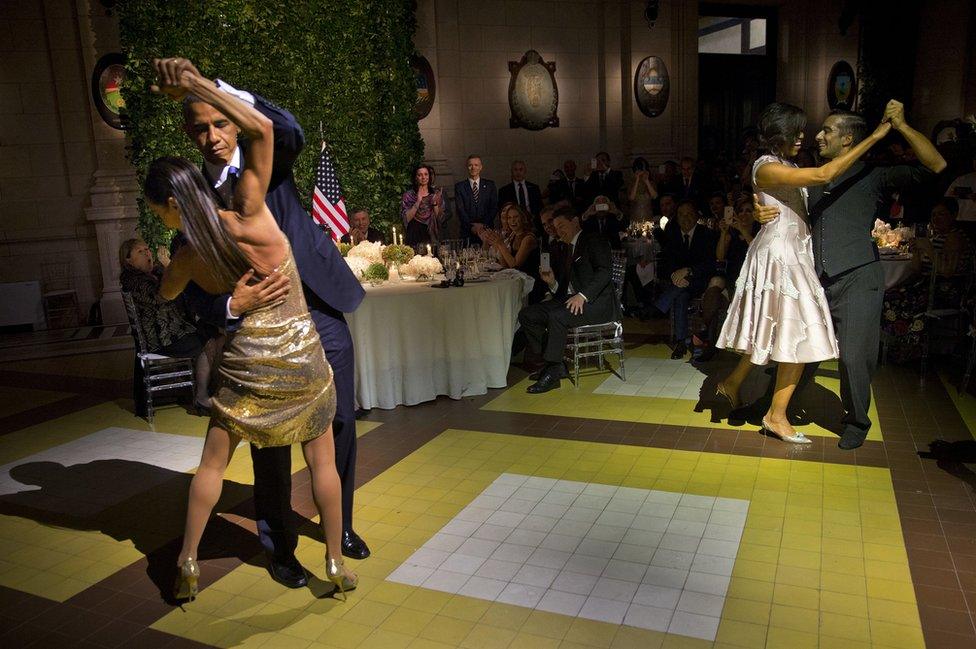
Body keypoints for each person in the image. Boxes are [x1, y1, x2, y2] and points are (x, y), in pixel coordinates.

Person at [145, 59, 357, 600]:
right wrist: (230, 304)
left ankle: (340, 530)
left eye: (220, 122)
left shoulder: (265, 163)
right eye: (198, 127)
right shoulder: (211, 199)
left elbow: (283, 127)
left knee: (338, 428)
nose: (212, 136)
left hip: (320, 313)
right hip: (263, 339)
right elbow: (193, 299)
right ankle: (283, 548)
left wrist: (203, 84)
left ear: (234, 119)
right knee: (273, 454)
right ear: (188, 134)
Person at [745, 100, 947, 449]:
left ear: (848, 139)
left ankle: (856, 421)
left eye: (827, 131)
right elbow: (779, 199)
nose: (818, 137)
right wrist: (757, 209)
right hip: (817, 277)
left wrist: (901, 127)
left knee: (854, 356)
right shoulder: (814, 175)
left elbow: (936, 164)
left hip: (858, 277)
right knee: (798, 348)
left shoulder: (876, 174)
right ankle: (774, 410)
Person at [714, 101, 895, 444]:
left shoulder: (783, 164)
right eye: (795, 131)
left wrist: (758, 208)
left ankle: (734, 386)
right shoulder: (766, 165)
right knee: (796, 334)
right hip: (782, 256)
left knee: (775, 331)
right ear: (778, 132)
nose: (803, 136)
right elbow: (823, 175)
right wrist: (875, 136)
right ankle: (775, 415)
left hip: (793, 253)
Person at [518, 208, 619, 393]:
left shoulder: (593, 240)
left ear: (575, 221)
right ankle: (554, 365)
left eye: (561, 226)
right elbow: (567, 288)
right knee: (528, 314)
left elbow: (605, 271)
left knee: (557, 316)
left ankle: (553, 372)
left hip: (596, 304)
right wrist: (553, 283)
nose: (558, 231)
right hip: (572, 300)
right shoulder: (565, 247)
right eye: (555, 227)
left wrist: (583, 295)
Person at [119, 238, 223, 412]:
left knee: (214, 332)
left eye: (147, 249)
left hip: (174, 331)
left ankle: (211, 389)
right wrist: (171, 267)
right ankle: (202, 396)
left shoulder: (152, 275)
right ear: (128, 260)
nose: (147, 253)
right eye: (140, 251)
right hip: (163, 339)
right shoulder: (136, 282)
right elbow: (164, 296)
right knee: (209, 342)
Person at [883, 198, 972, 361]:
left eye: (942, 214)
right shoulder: (935, 237)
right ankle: (903, 345)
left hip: (946, 291)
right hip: (927, 286)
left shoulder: (954, 238)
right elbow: (918, 270)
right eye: (934, 215)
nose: (936, 219)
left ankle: (910, 348)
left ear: (953, 216)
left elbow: (947, 271)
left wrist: (928, 249)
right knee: (888, 294)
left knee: (894, 299)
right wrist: (917, 252)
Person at [696, 197, 761, 362]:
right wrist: (724, 232)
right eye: (741, 211)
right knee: (715, 284)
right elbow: (720, 256)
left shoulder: (761, 233)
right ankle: (706, 332)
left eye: (748, 210)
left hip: (751, 279)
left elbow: (757, 253)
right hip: (731, 277)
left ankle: (709, 337)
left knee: (719, 297)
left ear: (755, 214)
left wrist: (743, 230)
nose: (744, 214)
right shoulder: (732, 233)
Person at [654, 201, 718, 358]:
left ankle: (658, 307)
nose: (685, 218)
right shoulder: (673, 234)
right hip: (680, 284)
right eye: (681, 214)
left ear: (696, 216)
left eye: (689, 214)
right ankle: (681, 343)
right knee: (681, 296)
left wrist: (688, 270)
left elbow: (710, 264)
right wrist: (674, 276)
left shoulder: (706, 234)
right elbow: (665, 261)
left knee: (680, 292)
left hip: (700, 281)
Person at [480, 204, 544, 303]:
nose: (512, 221)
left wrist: (501, 245)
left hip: (530, 285)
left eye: (515, 217)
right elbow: (506, 266)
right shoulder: (513, 235)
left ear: (523, 218)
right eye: (509, 218)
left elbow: (515, 265)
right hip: (516, 281)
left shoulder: (528, 238)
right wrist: (498, 247)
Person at [454, 155, 498, 242]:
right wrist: (472, 227)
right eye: (470, 165)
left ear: (481, 167)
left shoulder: (490, 185)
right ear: (467, 167)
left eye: (476, 165)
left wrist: (483, 225)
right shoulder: (460, 187)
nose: (473, 167)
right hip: (467, 233)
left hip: (487, 232)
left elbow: (494, 207)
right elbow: (460, 210)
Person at [401, 164, 446, 247]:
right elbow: (406, 218)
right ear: (415, 177)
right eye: (420, 175)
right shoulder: (408, 195)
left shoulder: (435, 194)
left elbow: (440, 219)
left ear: (429, 176)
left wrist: (435, 204)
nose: (423, 177)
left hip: (431, 234)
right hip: (414, 232)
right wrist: (418, 202)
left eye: (426, 174)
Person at [629, 157, 658, 225]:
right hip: (635, 216)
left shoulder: (651, 183)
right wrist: (637, 180)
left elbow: (655, 196)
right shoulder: (631, 183)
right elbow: (631, 197)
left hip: (648, 216)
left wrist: (647, 181)